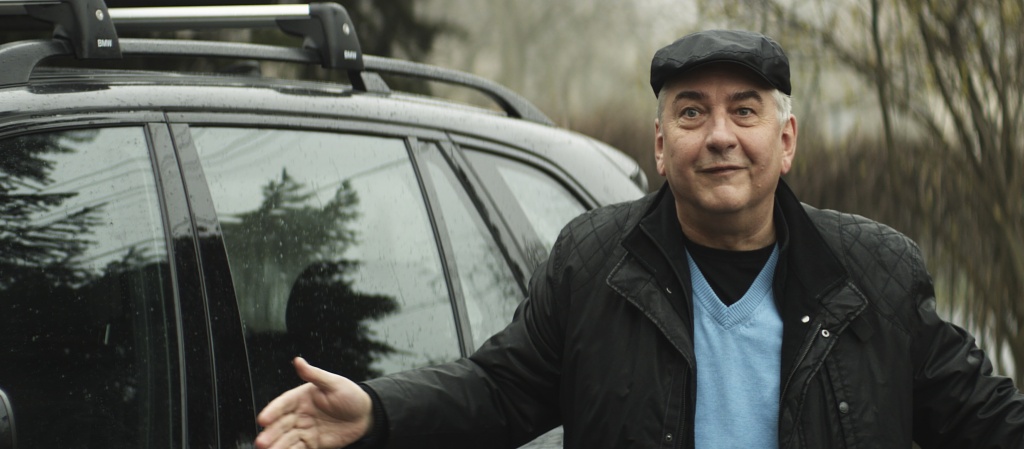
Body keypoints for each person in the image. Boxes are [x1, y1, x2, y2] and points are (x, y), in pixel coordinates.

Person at [254, 29, 1024, 449]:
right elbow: (499, 388)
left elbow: (982, 420)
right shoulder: (593, 264)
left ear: (786, 141)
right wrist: (377, 409)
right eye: (691, 112)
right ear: (660, 145)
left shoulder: (875, 275)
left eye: (744, 111)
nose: (719, 135)